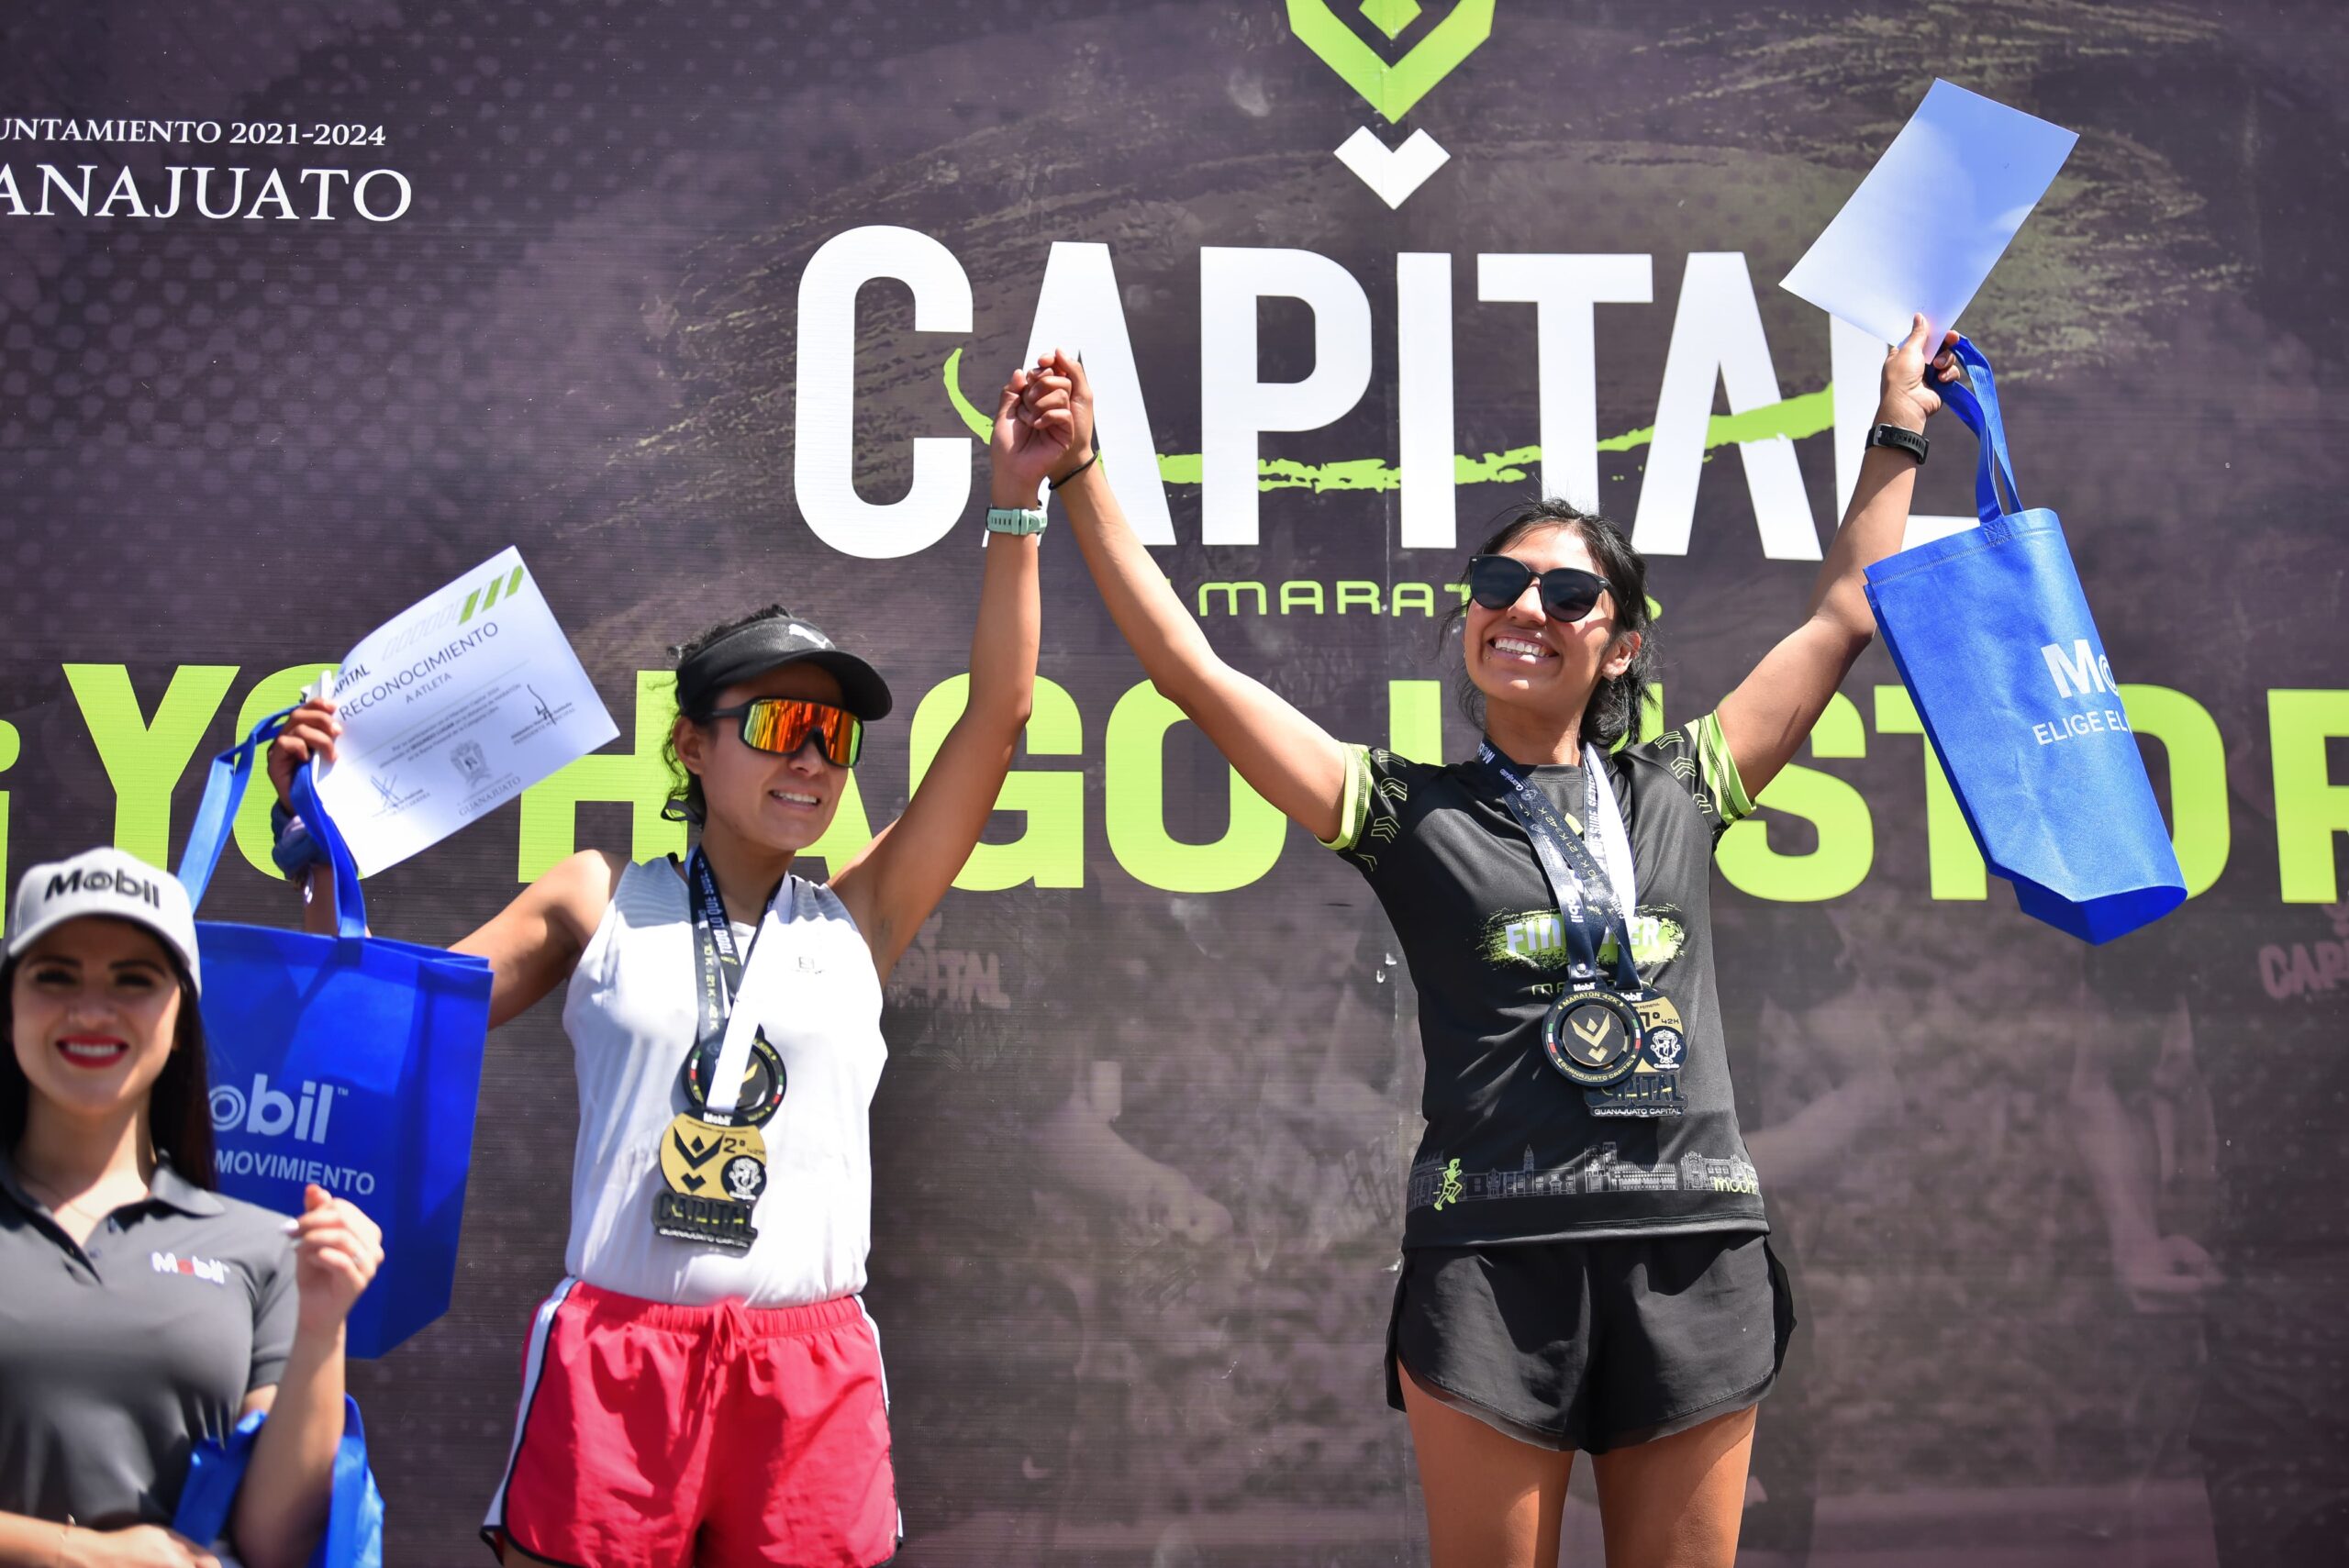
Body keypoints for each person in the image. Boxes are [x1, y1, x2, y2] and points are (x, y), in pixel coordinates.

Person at [1038, 318, 1959, 1566]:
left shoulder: (1682, 786)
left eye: (1569, 595)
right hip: (1492, 1259)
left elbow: (1845, 613)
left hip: (1688, 1249)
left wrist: (1898, 422)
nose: (1526, 607)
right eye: (1498, 583)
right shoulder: (1404, 809)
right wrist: (1081, 470)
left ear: (1620, 646)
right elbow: (1192, 672)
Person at [264, 362, 1065, 1567]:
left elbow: (998, 712)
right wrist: (313, 831)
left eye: (834, 735)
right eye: (779, 725)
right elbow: (388, 1020)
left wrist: (1014, 499)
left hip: (808, 1370)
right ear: (691, 742)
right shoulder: (594, 897)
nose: (812, 759)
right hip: (619, 1359)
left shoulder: (861, 915)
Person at [0, 848, 382, 1568]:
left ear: (180, 1016)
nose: (92, 1009)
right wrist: (79, 1553)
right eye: (55, 975)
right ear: (8, 1005)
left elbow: (278, 1541)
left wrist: (323, 1324)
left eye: (133, 980)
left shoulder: (270, 1250)